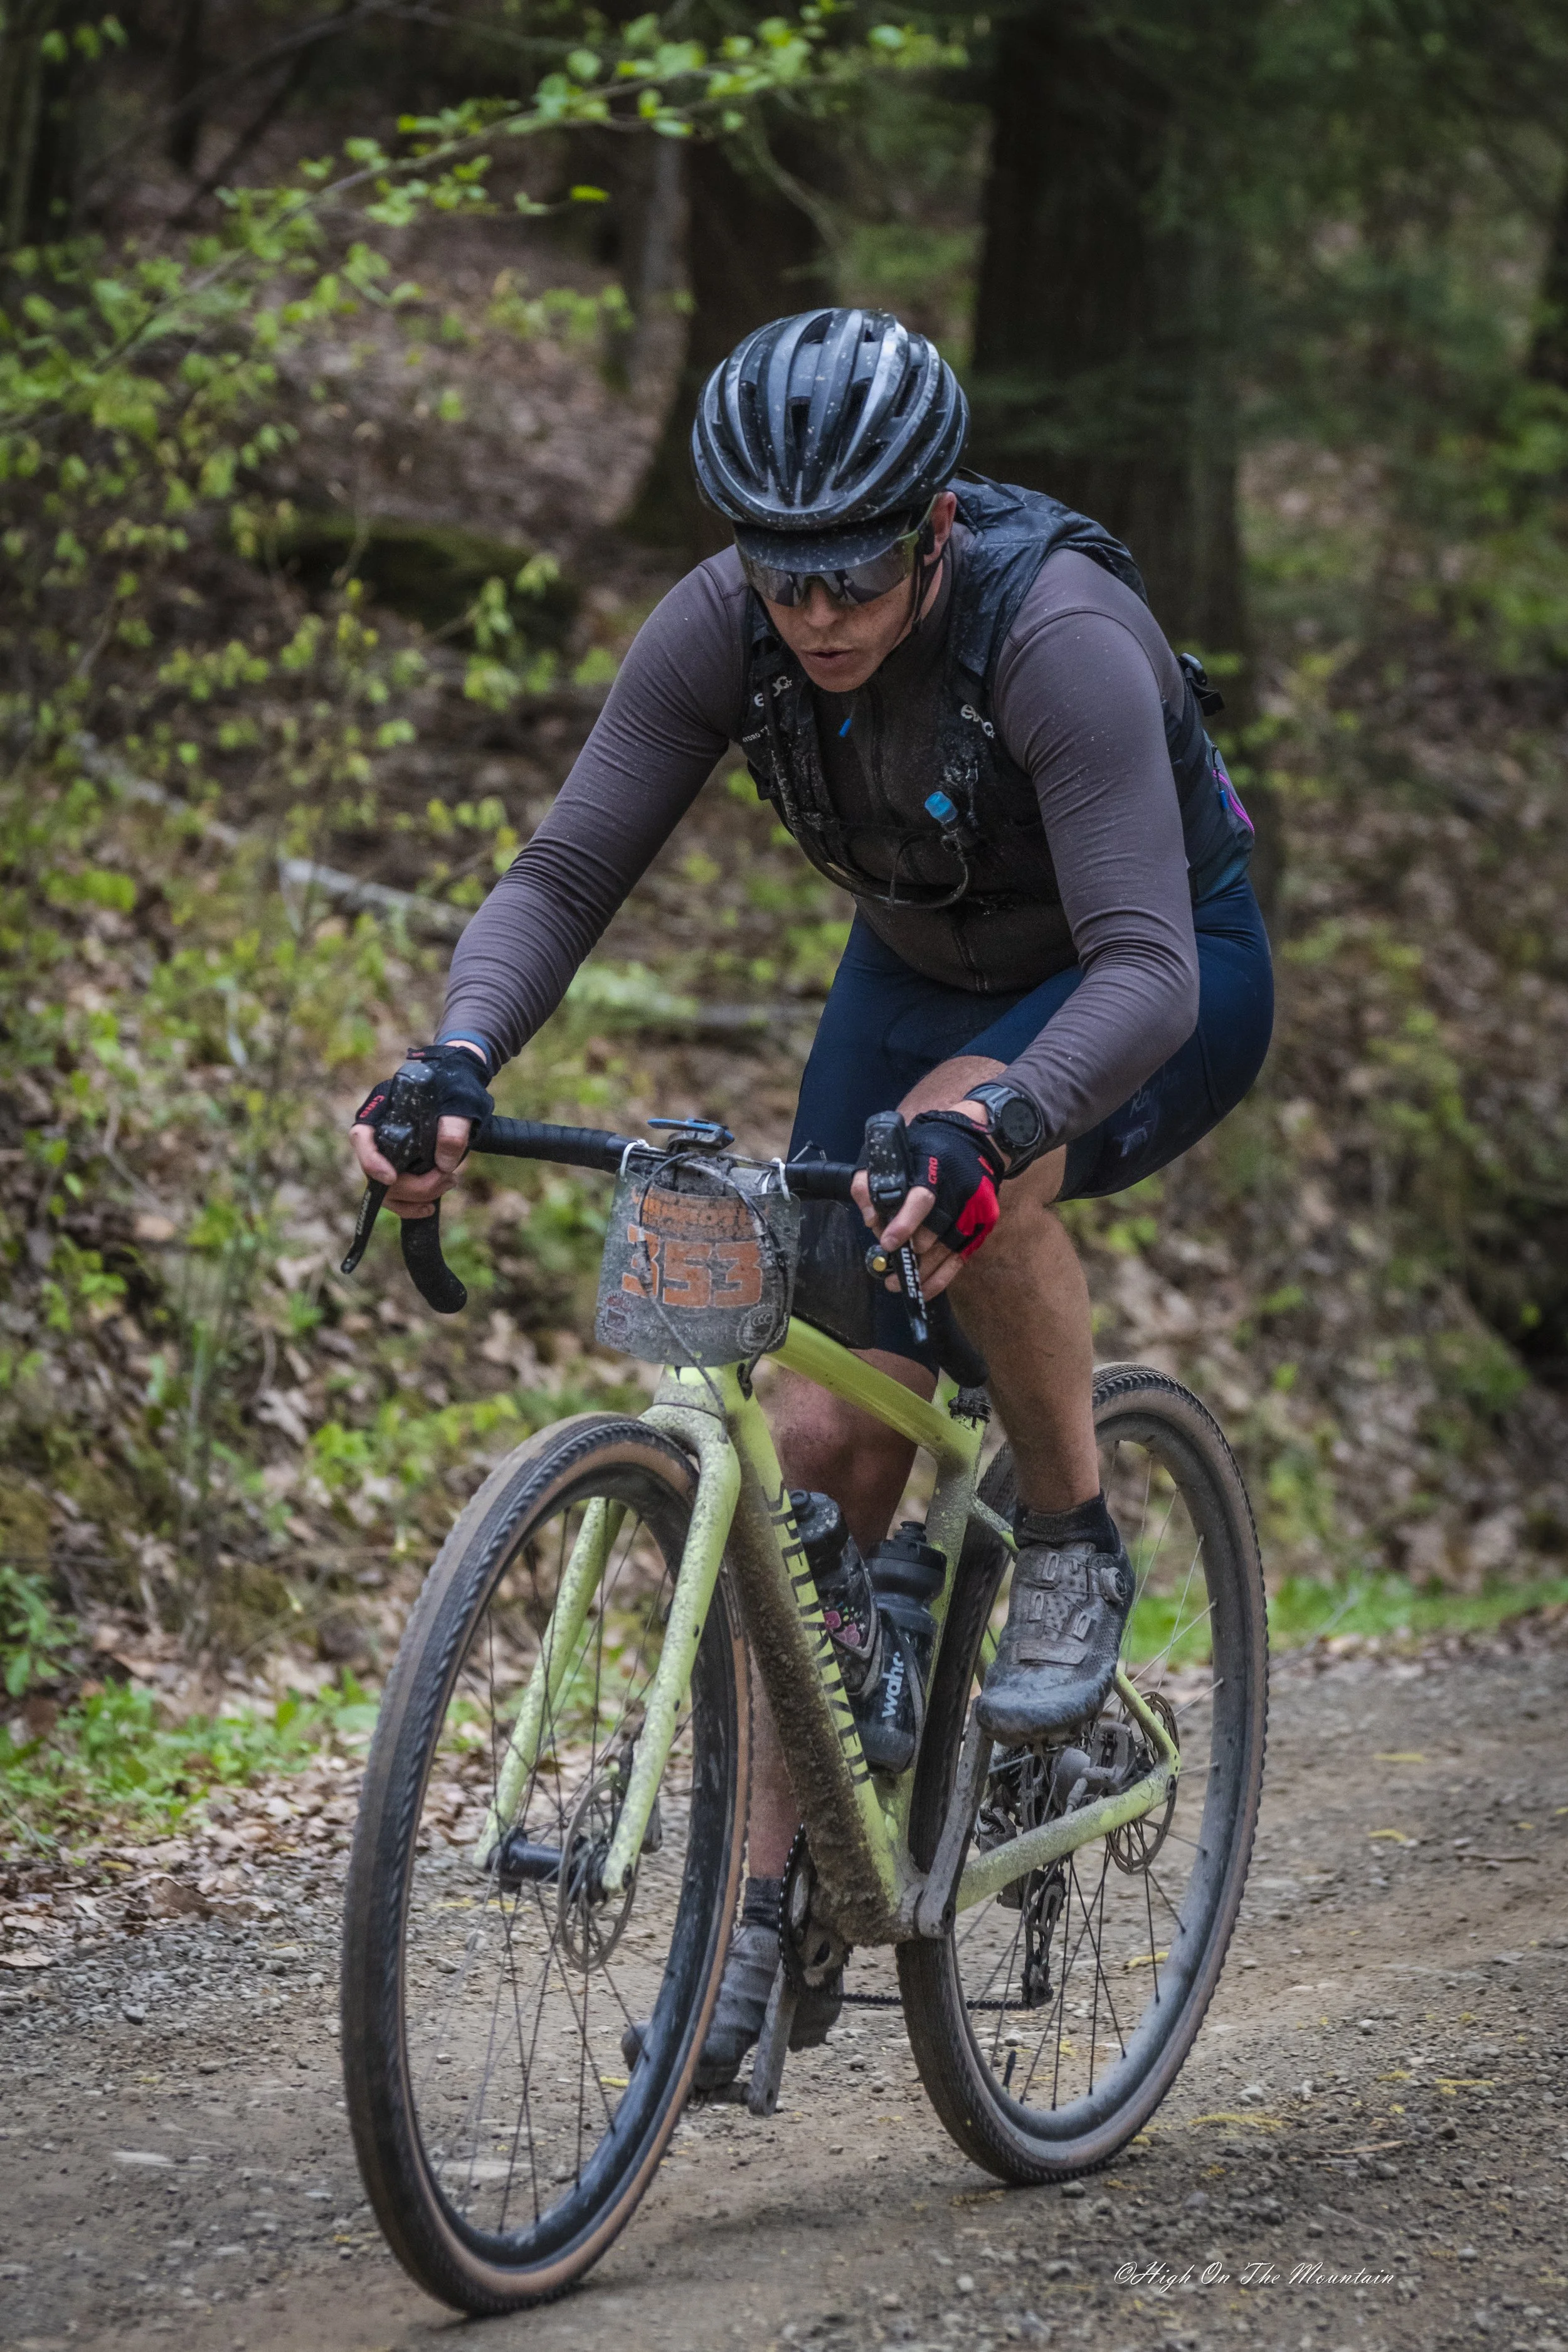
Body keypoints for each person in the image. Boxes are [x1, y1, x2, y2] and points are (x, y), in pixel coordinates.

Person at [350, 307, 1273, 2089]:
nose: (820, 612)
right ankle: (758, 1924)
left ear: (931, 526)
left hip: (1150, 967)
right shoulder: (724, 625)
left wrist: (996, 1115)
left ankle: (1071, 1531)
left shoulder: (1059, 633)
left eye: (855, 569)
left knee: (954, 1145)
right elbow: (563, 866)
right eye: (785, 577)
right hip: (919, 966)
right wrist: (455, 1056)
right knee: (815, 1453)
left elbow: (1148, 963)